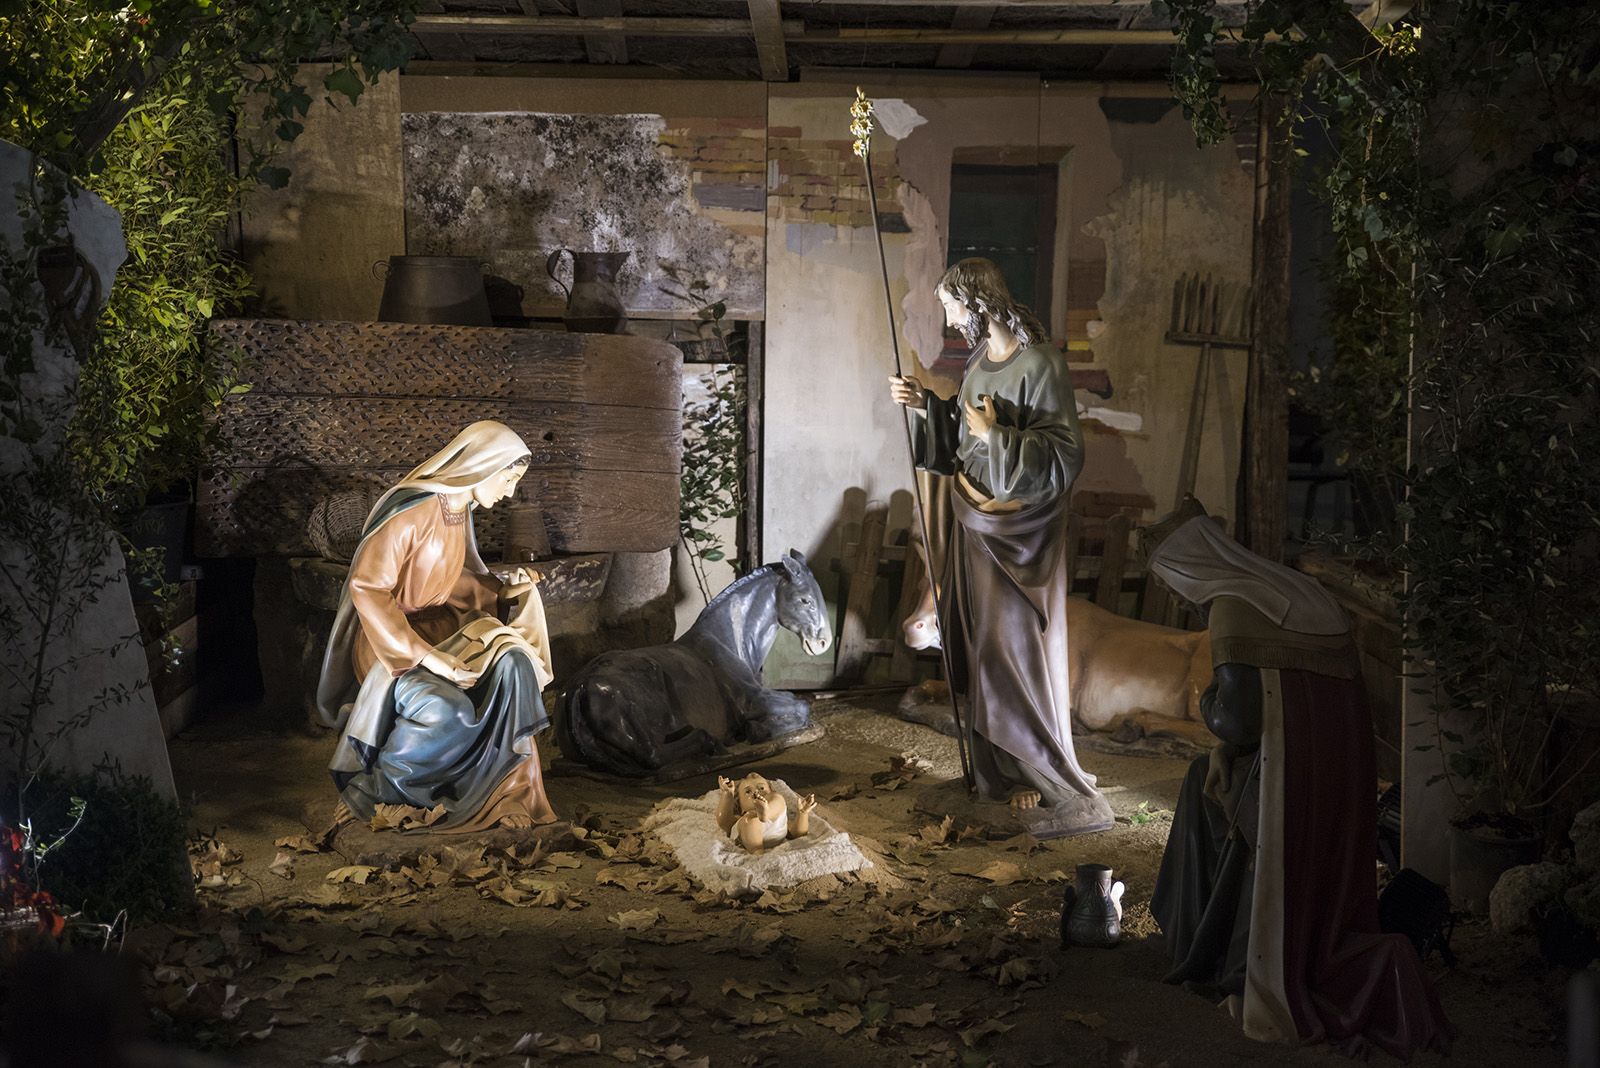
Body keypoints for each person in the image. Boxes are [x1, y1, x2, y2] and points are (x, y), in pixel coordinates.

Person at [1148, 516, 1450, 1058]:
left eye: (1173, 585)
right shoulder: (1292, 591)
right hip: (1331, 779)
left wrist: (1207, 709)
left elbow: (1237, 719)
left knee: (1199, 785)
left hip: (1285, 785)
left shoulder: (1231, 608)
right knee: (1211, 774)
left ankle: (1204, 941)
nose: (1176, 598)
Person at [886, 257, 1111, 838]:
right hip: (975, 524)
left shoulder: (1042, 365)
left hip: (1021, 536)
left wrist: (997, 437)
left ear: (978, 301)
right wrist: (927, 407)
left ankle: (1049, 774)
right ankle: (996, 771)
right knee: (979, 644)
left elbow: (1063, 458)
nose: (948, 316)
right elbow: (964, 441)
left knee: (1014, 649)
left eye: (952, 305)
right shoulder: (980, 364)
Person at [316, 420, 559, 832]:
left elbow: (453, 582)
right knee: (445, 708)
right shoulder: (411, 511)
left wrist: (504, 594)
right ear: (482, 464)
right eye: (509, 478)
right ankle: (374, 791)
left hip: (445, 632)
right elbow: (369, 588)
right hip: (390, 640)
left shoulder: (457, 510)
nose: (510, 492)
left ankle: (510, 793)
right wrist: (428, 658)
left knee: (514, 665)